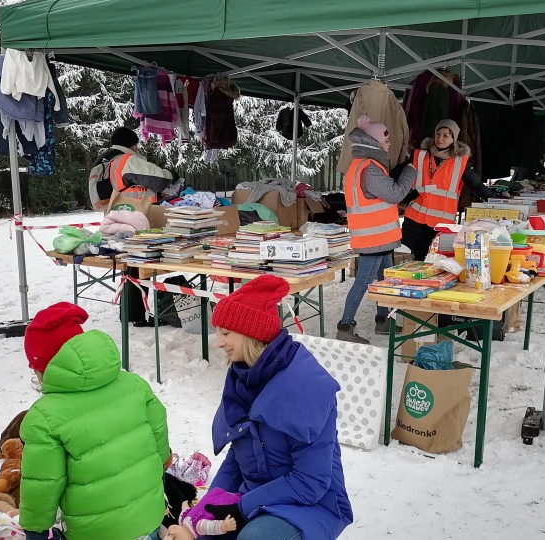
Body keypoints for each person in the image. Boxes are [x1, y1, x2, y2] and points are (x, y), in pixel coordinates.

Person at [206, 275, 353, 540]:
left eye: (226, 333)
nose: (218, 343)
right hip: (254, 495)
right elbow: (238, 455)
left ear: (252, 333)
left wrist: (241, 506)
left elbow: (311, 483)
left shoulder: (305, 387)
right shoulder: (243, 378)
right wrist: (210, 503)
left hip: (310, 506)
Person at [18, 302, 170, 540]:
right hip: (149, 517)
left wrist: (35, 529)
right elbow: (159, 436)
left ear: (44, 368)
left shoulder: (44, 418)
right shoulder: (134, 385)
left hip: (95, 532)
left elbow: (43, 483)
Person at [338, 115, 417, 344]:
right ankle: (345, 326)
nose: (389, 143)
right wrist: (410, 172)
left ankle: (384, 320)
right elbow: (394, 194)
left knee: (385, 279)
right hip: (373, 238)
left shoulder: (363, 166)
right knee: (364, 281)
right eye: (386, 139)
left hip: (378, 237)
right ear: (374, 143)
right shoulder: (370, 169)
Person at [402, 119, 494, 261]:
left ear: (453, 139)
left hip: (441, 223)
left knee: (435, 262)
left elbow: (477, 186)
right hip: (415, 219)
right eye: (438, 133)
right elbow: (398, 176)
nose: (440, 138)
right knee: (412, 260)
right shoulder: (420, 155)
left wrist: (497, 202)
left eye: (446, 135)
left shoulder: (460, 161)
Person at [88, 126, 177, 211]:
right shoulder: (126, 160)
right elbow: (161, 180)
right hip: (136, 213)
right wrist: (172, 174)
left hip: (114, 215)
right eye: (135, 145)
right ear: (128, 144)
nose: (136, 149)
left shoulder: (104, 160)